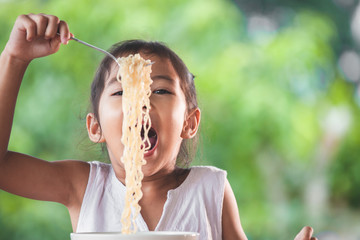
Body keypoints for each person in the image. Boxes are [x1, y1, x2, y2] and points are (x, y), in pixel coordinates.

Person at [0, 13, 317, 240]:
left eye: (161, 90)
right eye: (122, 91)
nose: (140, 102)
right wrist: (14, 59)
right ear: (95, 127)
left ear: (189, 123)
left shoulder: (211, 190)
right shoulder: (83, 186)